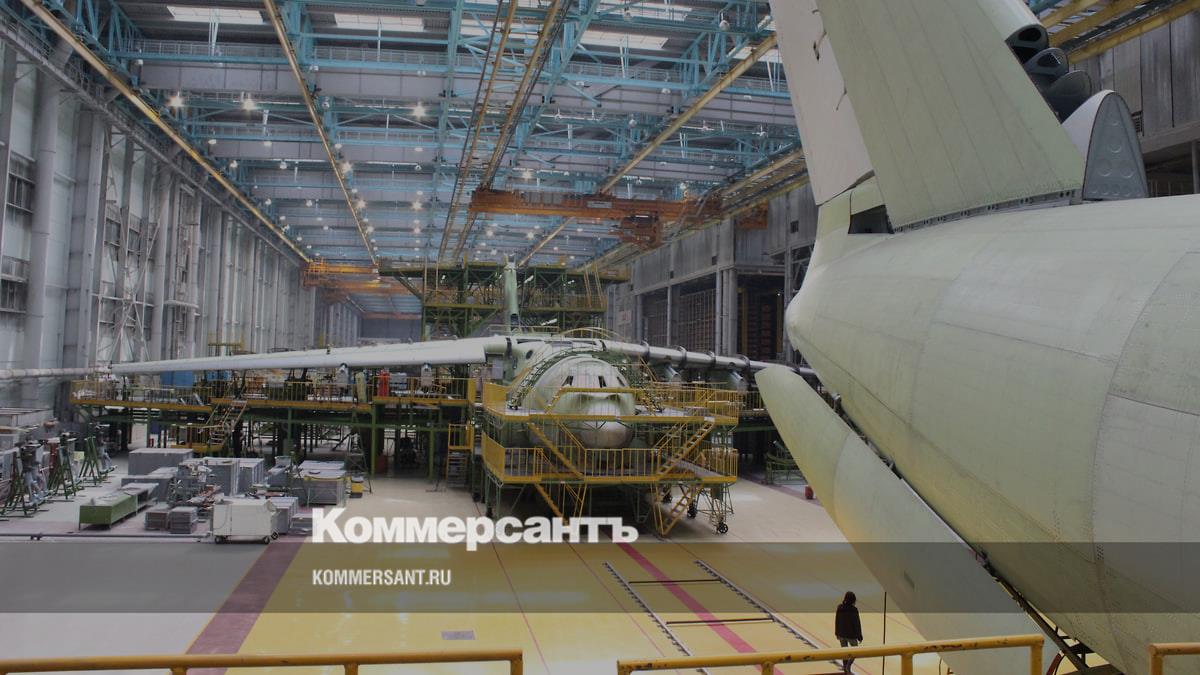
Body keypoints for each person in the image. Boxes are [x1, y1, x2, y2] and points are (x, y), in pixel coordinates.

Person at [835, 591, 863, 674]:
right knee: (856, 651)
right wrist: (859, 636)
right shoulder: (854, 610)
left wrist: (837, 632)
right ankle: (848, 666)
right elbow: (857, 623)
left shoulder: (840, 607)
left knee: (845, 653)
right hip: (851, 635)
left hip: (841, 634)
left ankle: (845, 669)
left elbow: (837, 620)